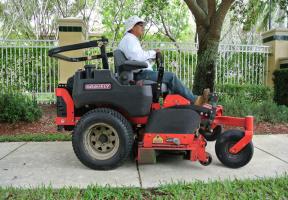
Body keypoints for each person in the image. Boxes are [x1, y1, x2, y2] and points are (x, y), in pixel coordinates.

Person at [117, 16, 209, 105]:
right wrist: (153, 52)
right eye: (140, 25)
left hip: (138, 73)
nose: (143, 27)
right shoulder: (129, 39)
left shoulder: (130, 39)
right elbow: (136, 58)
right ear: (132, 27)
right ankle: (195, 100)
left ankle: (175, 107)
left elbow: (138, 59)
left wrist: (152, 58)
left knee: (168, 81)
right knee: (171, 77)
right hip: (140, 75)